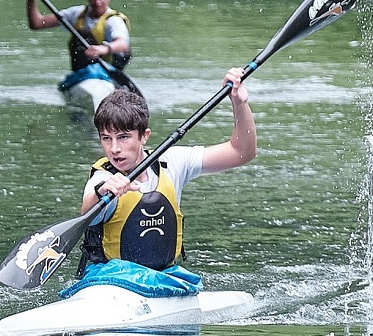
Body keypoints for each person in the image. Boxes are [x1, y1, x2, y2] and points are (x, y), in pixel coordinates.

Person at [66, 67, 253, 293]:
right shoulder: (103, 177)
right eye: (107, 138)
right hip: (110, 281)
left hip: (164, 279)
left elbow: (242, 152)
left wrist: (239, 103)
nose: (114, 149)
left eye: (123, 137)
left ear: (144, 135)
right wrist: (101, 193)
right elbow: (87, 213)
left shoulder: (171, 162)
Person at [26, 0, 131, 90]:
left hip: (106, 78)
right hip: (80, 79)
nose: (97, 2)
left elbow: (123, 44)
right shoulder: (75, 14)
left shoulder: (113, 20)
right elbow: (37, 23)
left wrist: (103, 48)